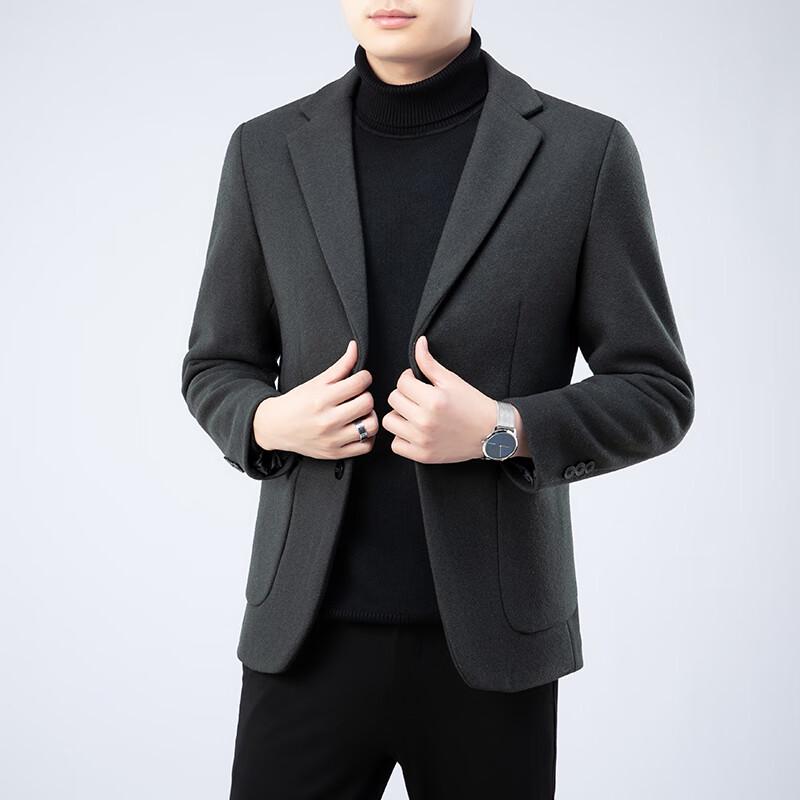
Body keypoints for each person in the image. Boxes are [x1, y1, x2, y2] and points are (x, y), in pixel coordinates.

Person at [180, 2, 695, 797]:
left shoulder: (583, 152)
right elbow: (216, 363)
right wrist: (268, 420)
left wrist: (502, 429)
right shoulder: (265, 149)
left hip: (494, 647)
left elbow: (656, 390)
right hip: (304, 638)